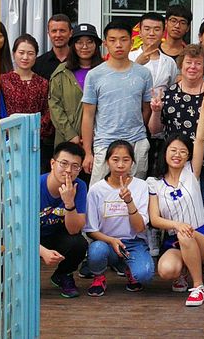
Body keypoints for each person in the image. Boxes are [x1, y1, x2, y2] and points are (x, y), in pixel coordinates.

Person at [148, 84, 204, 306]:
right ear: (165, 153)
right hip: (174, 237)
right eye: (173, 150)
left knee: (186, 234)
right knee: (166, 270)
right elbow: (154, 219)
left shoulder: (191, 172)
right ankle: (182, 272)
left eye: (182, 151)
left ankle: (198, 287)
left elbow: (200, 139)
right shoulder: (155, 183)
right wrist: (177, 225)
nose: (178, 155)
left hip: (202, 236)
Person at [149, 44, 204, 205]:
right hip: (175, 166)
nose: (192, 67)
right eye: (188, 62)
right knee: (176, 209)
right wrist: (156, 111)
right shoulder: (169, 94)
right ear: (181, 65)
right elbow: (155, 130)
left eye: (198, 63)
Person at [81, 21, 153, 185]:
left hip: (136, 142)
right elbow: (88, 115)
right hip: (104, 143)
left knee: (135, 193)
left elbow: (146, 109)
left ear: (132, 42)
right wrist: (87, 152)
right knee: (99, 195)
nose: (118, 45)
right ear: (105, 44)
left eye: (123, 39)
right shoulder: (94, 75)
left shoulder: (144, 74)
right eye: (112, 40)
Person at [84, 140, 154, 296]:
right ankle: (99, 277)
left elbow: (139, 227)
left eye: (126, 160)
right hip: (106, 242)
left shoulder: (141, 186)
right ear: (107, 161)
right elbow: (91, 230)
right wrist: (111, 241)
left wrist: (129, 201)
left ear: (133, 162)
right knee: (96, 249)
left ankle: (129, 269)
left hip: (133, 242)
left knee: (145, 274)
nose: (120, 165)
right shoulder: (96, 190)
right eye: (115, 159)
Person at [129, 12, 179, 178]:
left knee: (154, 173)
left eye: (157, 29)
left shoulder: (169, 62)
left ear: (163, 32)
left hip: (159, 125)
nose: (151, 33)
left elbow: (171, 90)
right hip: (133, 123)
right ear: (140, 31)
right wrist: (137, 64)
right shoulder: (130, 57)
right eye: (147, 29)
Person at [39, 142, 89, 298]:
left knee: (79, 244)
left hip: (57, 235)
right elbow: (17, 230)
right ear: (53, 163)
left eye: (75, 166)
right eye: (64, 163)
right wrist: (41, 251)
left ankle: (63, 274)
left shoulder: (79, 186)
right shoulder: (33, 185)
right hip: (29, 237)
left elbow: (74, 230)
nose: (69, 170)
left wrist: (69, 203)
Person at [49, 23, 103, 149]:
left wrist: (94, 135)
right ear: (73, 45)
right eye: (79, 42)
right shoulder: (62, 72)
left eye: (90, 42)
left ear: (96, 45)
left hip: (100, 139)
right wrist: (71, 135)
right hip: (68, 140)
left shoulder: (105, 71)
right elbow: (54, 106)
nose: (84, 47)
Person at [0, 34, 53, 141]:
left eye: (30, 53)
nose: (25, 57)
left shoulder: (43, 83)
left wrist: (34, 130)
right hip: (7, 138)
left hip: (35, 139)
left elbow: (48, 112)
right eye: (21, 53)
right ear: (14, 53)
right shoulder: (2, 80)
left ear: (36, 56)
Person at [33, 14, 73, 81]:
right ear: (49, 34)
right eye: (54, 31)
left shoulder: (79, 61)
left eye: (62, 31)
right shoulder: (38, 64)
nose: (58, 35)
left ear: (70, 33)